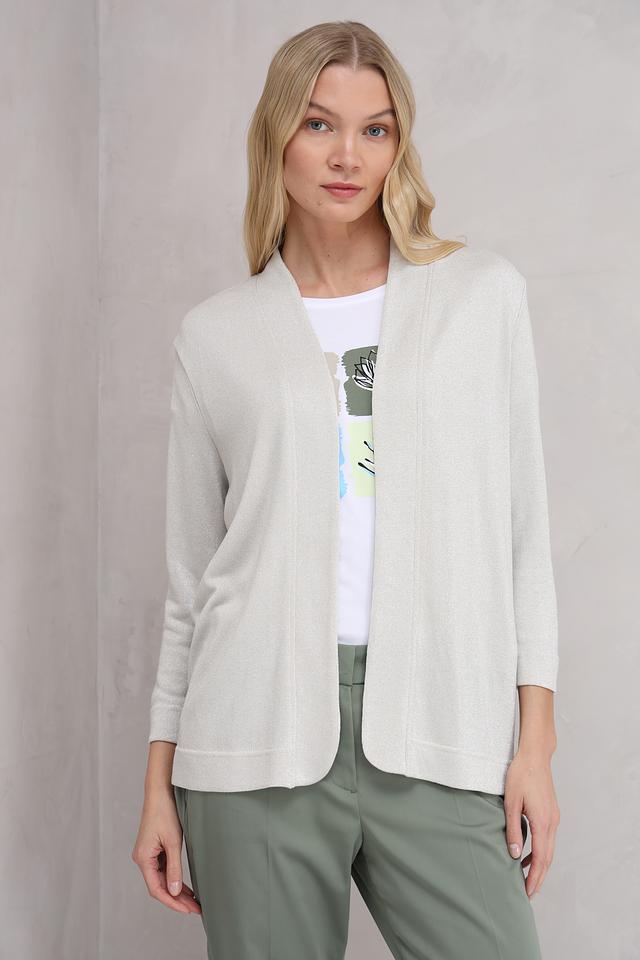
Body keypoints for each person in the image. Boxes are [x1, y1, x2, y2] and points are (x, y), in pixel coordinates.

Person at [132, 19, 560, 959]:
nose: (347, 156)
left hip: (439, 720)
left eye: (375, 129)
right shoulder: (216, 336)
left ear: (399, 144)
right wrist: (159, 779)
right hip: (252, 740)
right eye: (320, 123)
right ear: (277, 134)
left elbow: (523, 536)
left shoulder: (480, 297)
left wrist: (535, 745)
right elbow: (192, 583)